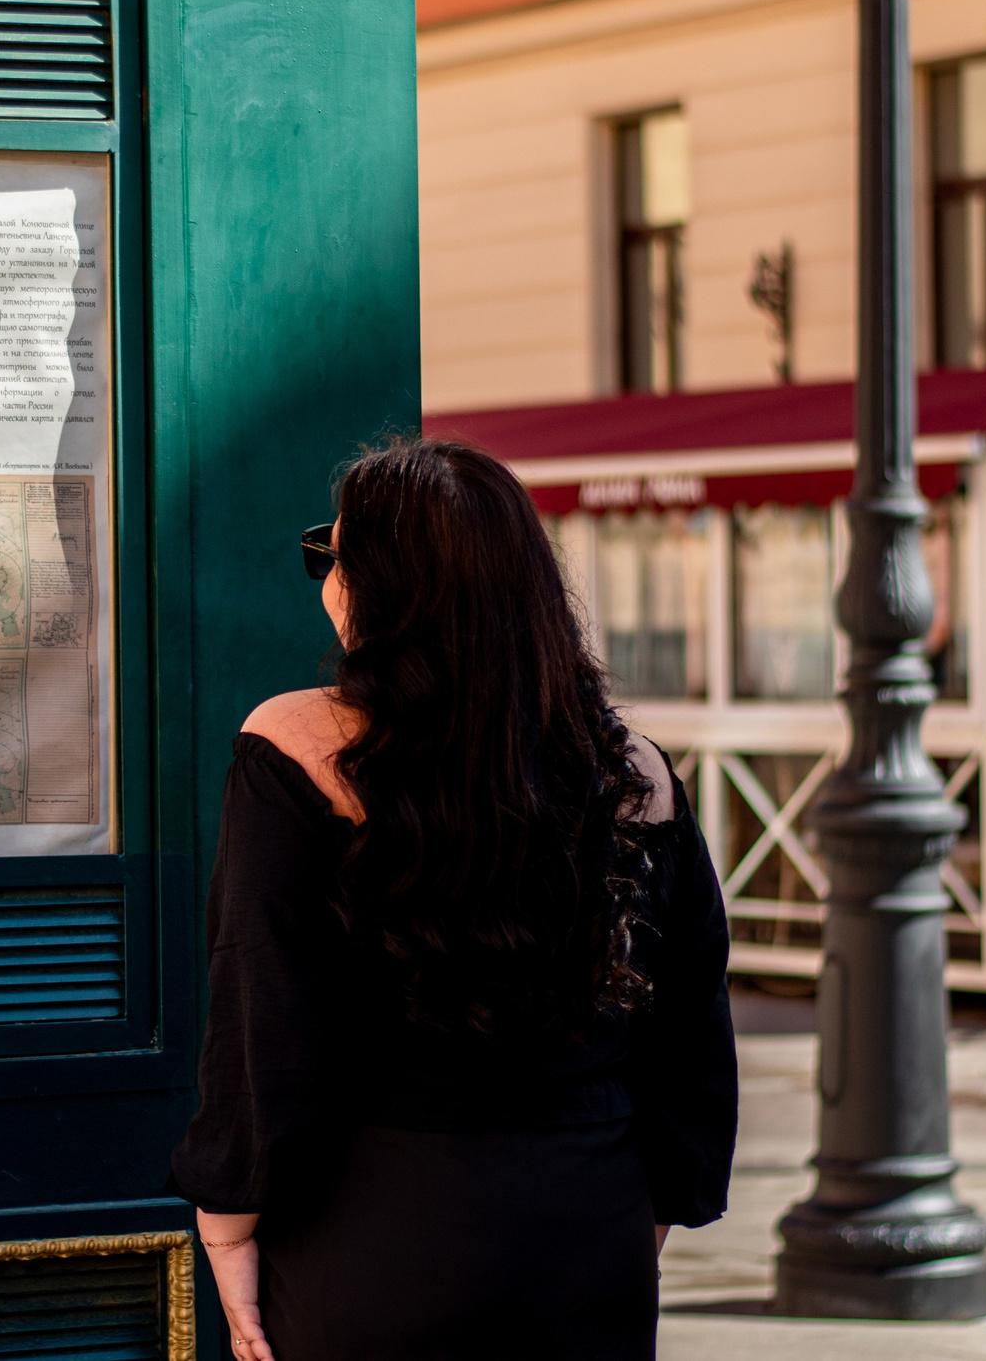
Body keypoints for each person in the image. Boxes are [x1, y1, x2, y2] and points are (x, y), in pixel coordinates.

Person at [169, 437, 736, 1361]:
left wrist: (228, 1227)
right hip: (589, 1224)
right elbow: (690, 1018)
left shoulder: (294, 744)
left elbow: (258, 1011)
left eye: (333, 557)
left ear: (380, 591)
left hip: (374, 1218)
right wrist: (651, 1208)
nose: (325, 582)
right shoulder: (632, 769)